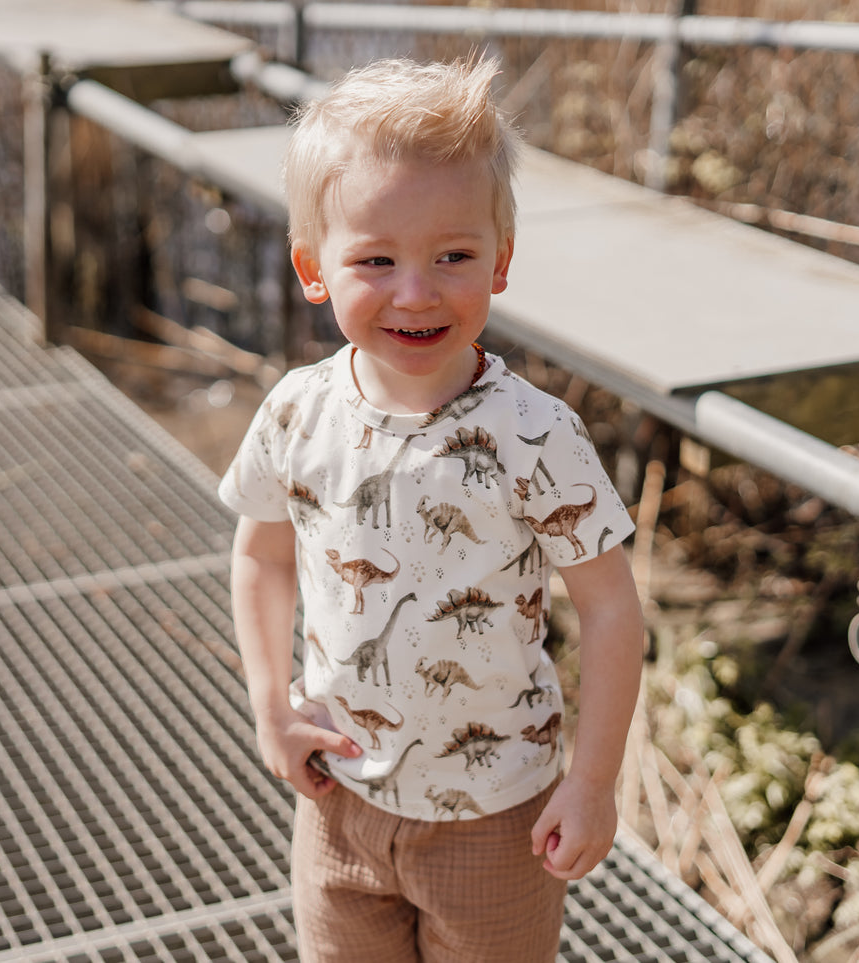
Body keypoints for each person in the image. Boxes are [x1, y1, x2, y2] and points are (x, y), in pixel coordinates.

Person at [218, 56, 645, 962]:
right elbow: (260, 556)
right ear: (313, 268)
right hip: (340, 799)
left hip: (494, 818)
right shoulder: (297, 411)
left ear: (500, 260)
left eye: (451, 256)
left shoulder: (536, 434)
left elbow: (609, 608)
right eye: (375, 259)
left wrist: (594, 782)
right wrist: (269, 704)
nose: (416, 291)